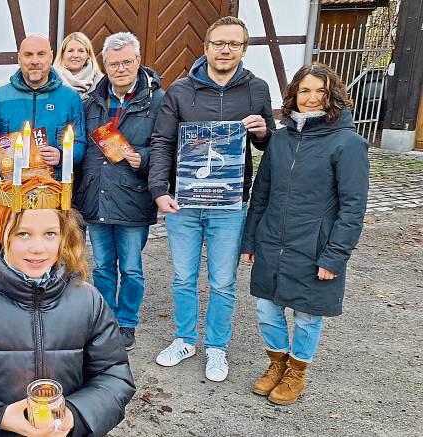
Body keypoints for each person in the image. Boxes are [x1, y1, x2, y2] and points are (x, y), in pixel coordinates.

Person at [0, 175, 135, 436]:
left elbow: (114, 376)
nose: (38, 248)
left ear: (64, 236)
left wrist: (75, 415)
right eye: (23, 234)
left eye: (50, 234)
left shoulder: (88, 301)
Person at [147, 16, 274, 382]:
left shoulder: (257, 89)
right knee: (184, 278)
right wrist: (159, 191)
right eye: (219, 43)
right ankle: (185, 339)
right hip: (184, 202)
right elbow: (162, 142)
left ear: (244, 49)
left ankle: (217, 347)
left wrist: (264, 132)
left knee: (222, 281)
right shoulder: (181, 91)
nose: (225, 49)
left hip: (230, 205)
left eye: (234, 44)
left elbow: (267, 142)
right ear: (205, 47)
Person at [241, 63, 369, 405]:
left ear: (333, 97)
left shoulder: (348, 143)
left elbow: (353, 208)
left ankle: (297, 372)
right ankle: (276, 364)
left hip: (314, 245)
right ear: (294, 96)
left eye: (320, 92)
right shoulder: (280, 140)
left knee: (307, 314)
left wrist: (335, 256)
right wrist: (250, 240)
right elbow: (261, 195)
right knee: (267, 309)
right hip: (272, 240)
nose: (312, 99)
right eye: (305, 91)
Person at [78, 32, 164, 351]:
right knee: (102, 266)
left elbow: (167, 147)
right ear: (104, 64)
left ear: (138, 61)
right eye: (114, 63)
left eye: (127, 61)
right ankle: (105, 320)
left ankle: (127, 322)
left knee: (130, 267)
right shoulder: (92, 102)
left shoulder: (158, 100)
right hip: (96, 195)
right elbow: (84, 147)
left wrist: (144, 158)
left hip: (134, 196)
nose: (121, 68)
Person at [0, 35, 87, 181]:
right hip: (8, 192)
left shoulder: (70, 98)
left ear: (51, 57)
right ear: (19, 59)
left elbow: (80, 144)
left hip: (53, 192)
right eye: (28, 55)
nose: (34, 61)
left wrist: (62, 155)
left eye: (41, 54)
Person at [53, 32, 104, 101]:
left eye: (81, 51)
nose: (75, 55)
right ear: (63, 54)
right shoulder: (51, 81)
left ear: (88, 55)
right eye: (70, 51)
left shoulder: (101, 83)